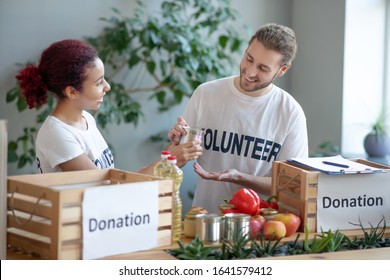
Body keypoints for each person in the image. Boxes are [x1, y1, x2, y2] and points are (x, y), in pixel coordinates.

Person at [168, 23, 308, 213]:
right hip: (205, 222)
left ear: (282, 70)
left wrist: (239, 178)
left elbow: (291, 186)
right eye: (249, 59)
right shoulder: (205, 94)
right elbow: (174, 159)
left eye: (263, 68)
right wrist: (175, 148)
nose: (250, 72)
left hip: (261, 231)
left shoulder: (290, 112)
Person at [16, 39, 202, 174]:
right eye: (98, 83)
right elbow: (107, 189)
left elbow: (115, 179)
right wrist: (170, 160)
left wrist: (170, 155)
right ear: (72, 92)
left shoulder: (86, 120)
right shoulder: (57, 134)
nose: (108, 87)